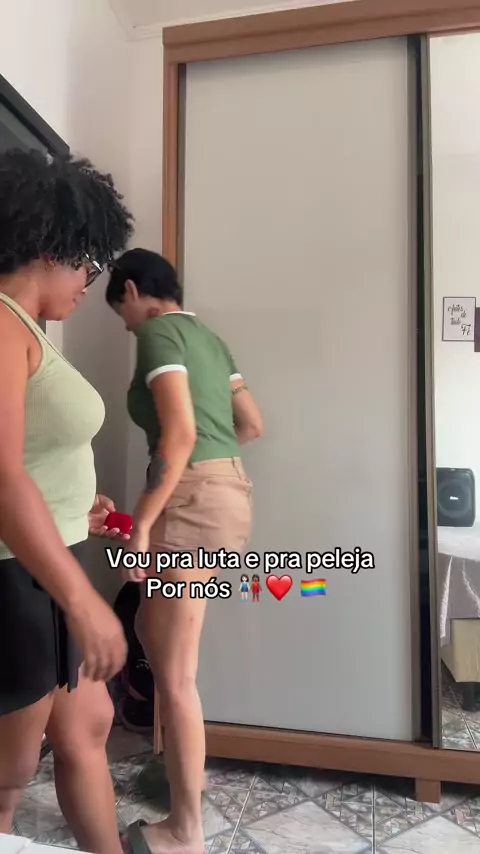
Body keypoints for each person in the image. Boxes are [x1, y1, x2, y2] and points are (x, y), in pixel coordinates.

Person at [105, 249, 264, 854]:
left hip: (191, 502)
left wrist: (144, 523)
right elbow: (250, 424)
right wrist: (211, 471)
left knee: (176, 674)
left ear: (130, 290)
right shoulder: (211, 341)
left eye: (120, 311)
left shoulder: (158, 332)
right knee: (153, 629)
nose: (126, 326)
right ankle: (181, 773)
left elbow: (179, 435)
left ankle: (185, 829)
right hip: (226, 493)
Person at [0, 148, 134, 854]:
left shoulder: (27, 330)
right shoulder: (1, 323)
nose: (89, 281)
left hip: (50, 557)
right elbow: (2, 476)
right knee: (8, 773)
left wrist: (76, 506)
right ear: (52, 246)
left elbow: (32, 456)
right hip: (17, 578)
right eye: (87, 262)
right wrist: (83, 601)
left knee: (88, 725)